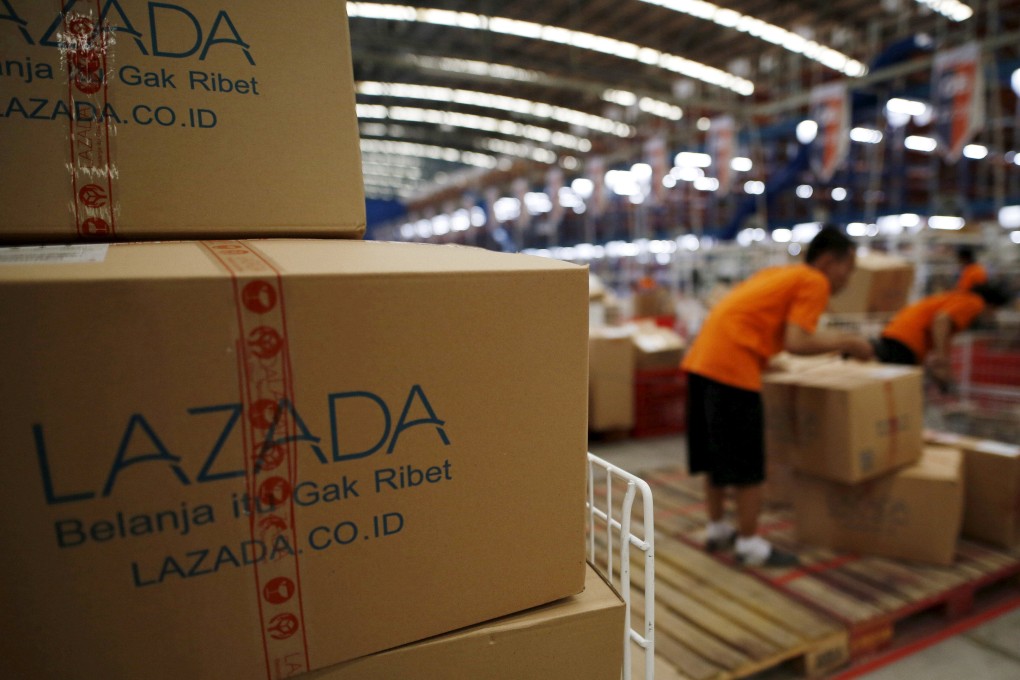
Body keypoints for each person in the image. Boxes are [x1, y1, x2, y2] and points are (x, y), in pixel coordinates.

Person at [682, 227, 874, 567]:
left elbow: (753, 321)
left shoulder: (779, 273)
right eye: (850, 266)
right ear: (829, 261)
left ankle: (717, 529)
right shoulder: (815, 281)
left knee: (717, 457)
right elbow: (797, 341)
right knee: (747, 464)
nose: (851, 276)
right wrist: (850, 343)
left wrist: (765, 362)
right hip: (732, 368)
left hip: (702, 362)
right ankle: (750, 544)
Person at [873, 283, 1011, 384]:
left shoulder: (958, 299)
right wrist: (942, 359)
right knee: (900, 391)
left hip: (898, 335)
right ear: (992, 305)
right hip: (906, 340)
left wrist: (940, 362)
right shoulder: (975, 302)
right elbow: (941, 319)